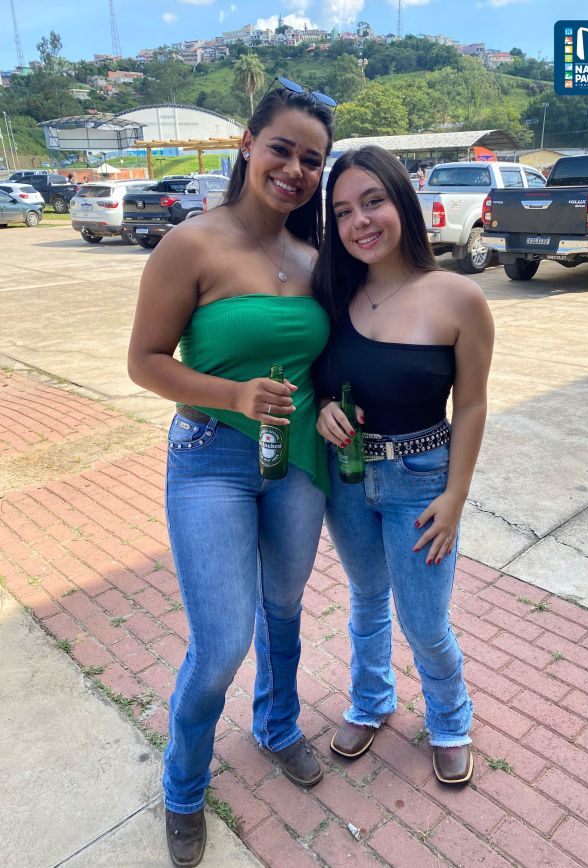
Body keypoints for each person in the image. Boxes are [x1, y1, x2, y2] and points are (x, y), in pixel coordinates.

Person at [128, 81, 335, 867]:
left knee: (283, 609)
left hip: (298, 462)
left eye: (311, 160)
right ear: (247, 144)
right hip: (210, 456)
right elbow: (144, 361)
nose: (294, 169)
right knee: (220, 644)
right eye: (281, 148)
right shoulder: (192, 244)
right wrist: (234, 394)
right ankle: (184, 786)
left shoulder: (314, 257)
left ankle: (277, 726)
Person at [312, 146, 494, 786]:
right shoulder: (334, 292)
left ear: (403, 203)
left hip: (422, 480)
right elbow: (320, 379)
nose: (359, 221)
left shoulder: (459, 297)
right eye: (342, 212)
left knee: (423, 619)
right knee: (366, 598)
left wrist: (456, 495)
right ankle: (371, 700)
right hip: (346, 478)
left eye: (373, 202)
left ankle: (450, 717)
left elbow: (471, 404)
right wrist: (323, 409)